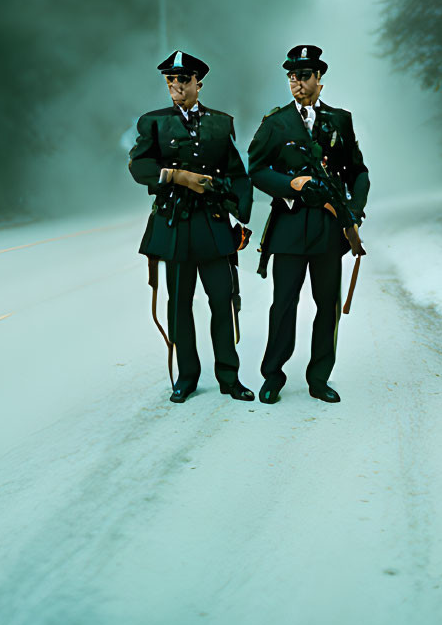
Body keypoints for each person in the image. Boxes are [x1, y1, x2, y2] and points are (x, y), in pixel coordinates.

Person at [128, 49, 255, 403]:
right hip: (176, 224)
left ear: (199, 82)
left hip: (213, 224)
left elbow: (237, 174)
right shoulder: (153, 122)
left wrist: (240, 215)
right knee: (179, 303)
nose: (176, 87)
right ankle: (186, 377)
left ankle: (229, 376)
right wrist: (176, 175)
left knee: (222, 301)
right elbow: (139, 167)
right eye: (171, 80)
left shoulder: (220, 122)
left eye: (183, 80)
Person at [246, 44, 370, 404]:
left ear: (319, 79)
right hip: (289, 224)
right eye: (291, 77)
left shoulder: (339, 120)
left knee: (327, 304)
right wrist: (291, 185)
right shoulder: (275, 123)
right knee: (283, 303)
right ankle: (273, 376)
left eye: (303, 76)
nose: (296, 83)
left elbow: (357, 172)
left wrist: (353, 209)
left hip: (329, 229)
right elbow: (256, 169)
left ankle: (319, 378)